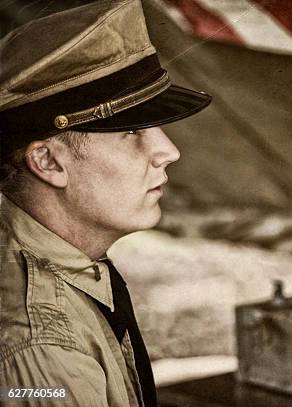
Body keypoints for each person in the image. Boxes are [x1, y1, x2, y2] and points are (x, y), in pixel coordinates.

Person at [0, 0, 211, 405]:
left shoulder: (60, 262)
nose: (169, 151)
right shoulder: (46, 351)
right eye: (132, 131)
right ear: (48, 161)